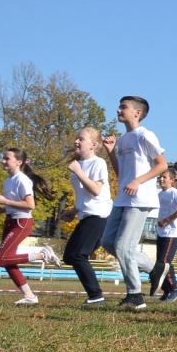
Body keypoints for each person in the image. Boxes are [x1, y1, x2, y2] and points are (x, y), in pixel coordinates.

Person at [101, 96, 168, 310]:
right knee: (108, 242)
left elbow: (162, 165)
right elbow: (122, 174)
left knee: (123, 246)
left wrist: (138, 181)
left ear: (137, 113)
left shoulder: (144, 135)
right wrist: (111, 152)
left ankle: (134, 296)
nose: (119, 110)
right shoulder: (124, 139)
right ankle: (154, 268)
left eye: (124, 107)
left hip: (140, 199)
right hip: (123, 197)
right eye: (119, 106)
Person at [0, 148, 60, 305]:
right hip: (10, 221)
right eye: (3, 158)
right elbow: (15, 204)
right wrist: (1, 210)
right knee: (8, 261)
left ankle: (43, 255)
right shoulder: (7, 181)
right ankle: (29, 296)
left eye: (6, 158)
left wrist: (5, 202)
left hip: (21, 223)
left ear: (19, 162)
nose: (3, 161)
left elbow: (30, 205)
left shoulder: (22, 180)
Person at [60, 128, 113, 304]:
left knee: (78, 255)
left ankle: (96, 296)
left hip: (100, 215)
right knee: (69, 256)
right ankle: (96, 296)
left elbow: (96, 190)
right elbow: (84, 195)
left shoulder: (98, 163)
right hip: (86, 214)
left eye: (81, 139)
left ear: (93, 145)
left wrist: (79, 172)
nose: (76, 141)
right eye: (76, 138)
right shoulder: (78, 165)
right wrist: (74, 210)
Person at [153, 169, 177, 302]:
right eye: (160, 177)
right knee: (162, 262)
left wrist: (167, 220)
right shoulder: (160, 194)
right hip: (161, 232)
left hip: (172, 232)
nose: (161, 179)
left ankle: (174, 289)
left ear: (172, 180)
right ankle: (167, 290)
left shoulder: (176, 193)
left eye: (164, 177)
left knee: (164, 262)